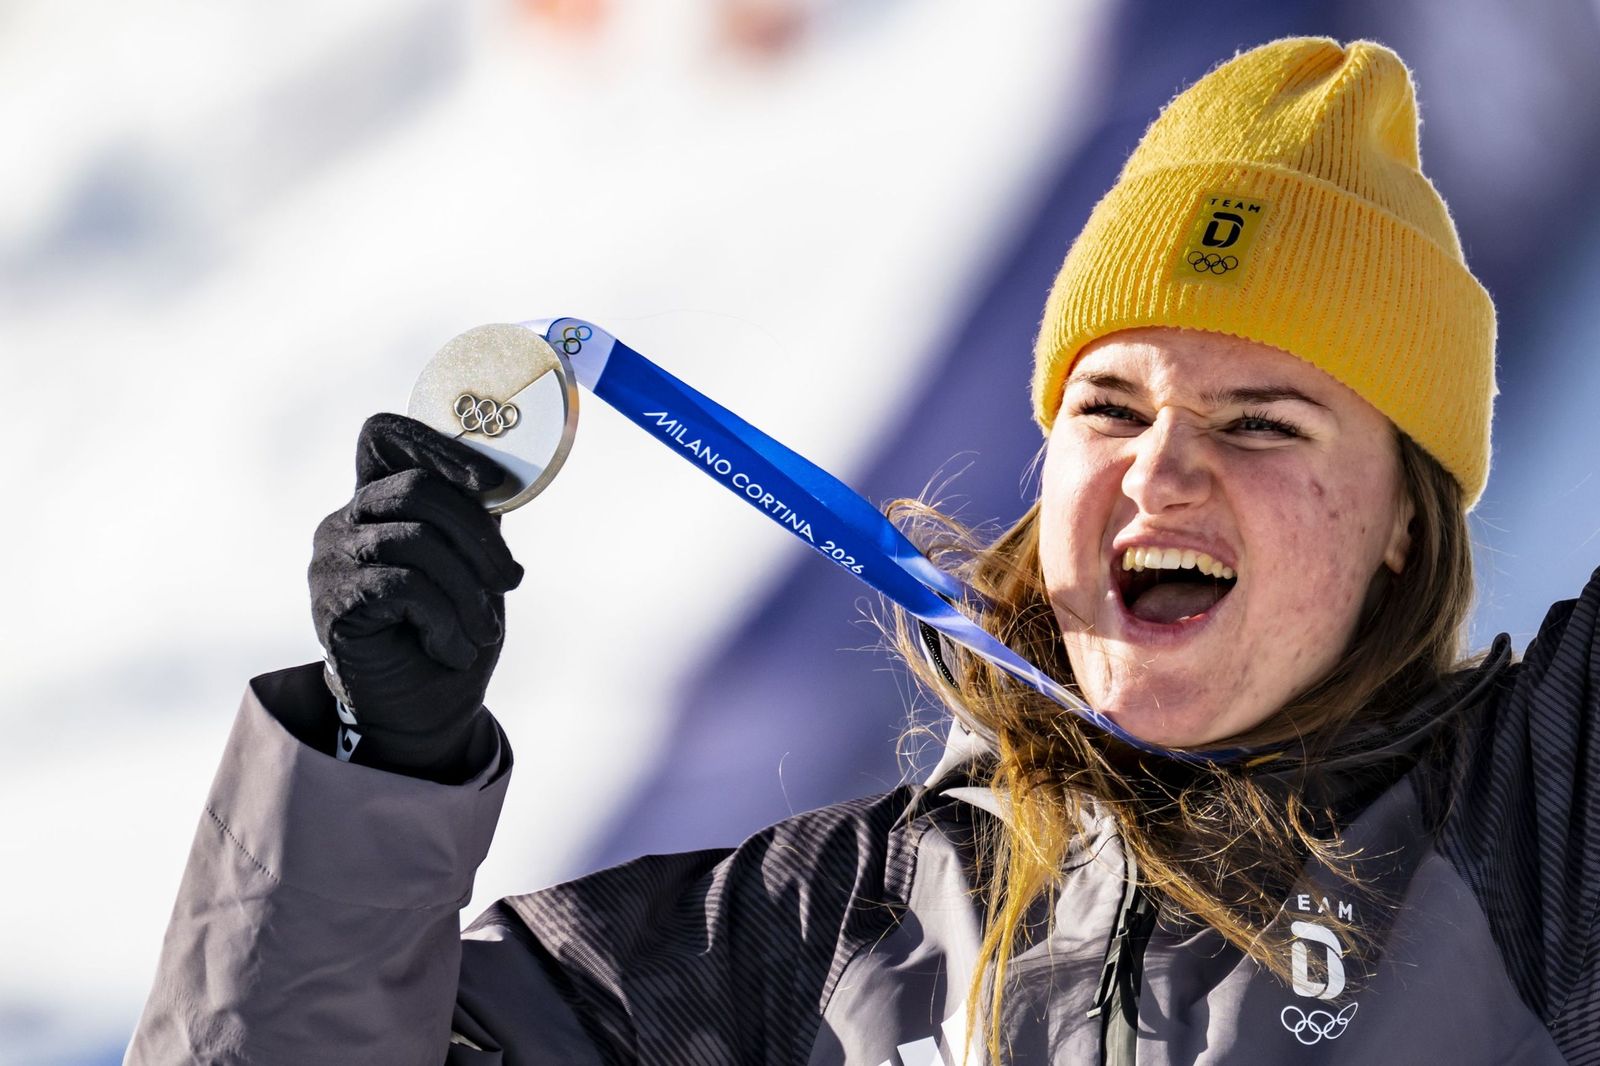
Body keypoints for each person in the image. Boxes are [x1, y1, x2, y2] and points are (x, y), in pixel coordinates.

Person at [127, 37, 1596, 1064]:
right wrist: (372, 779)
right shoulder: (819, 936)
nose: (1162, 463)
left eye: (1263, 420)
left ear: (1408, 514)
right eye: (1111, 403)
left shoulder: (1535, 836)